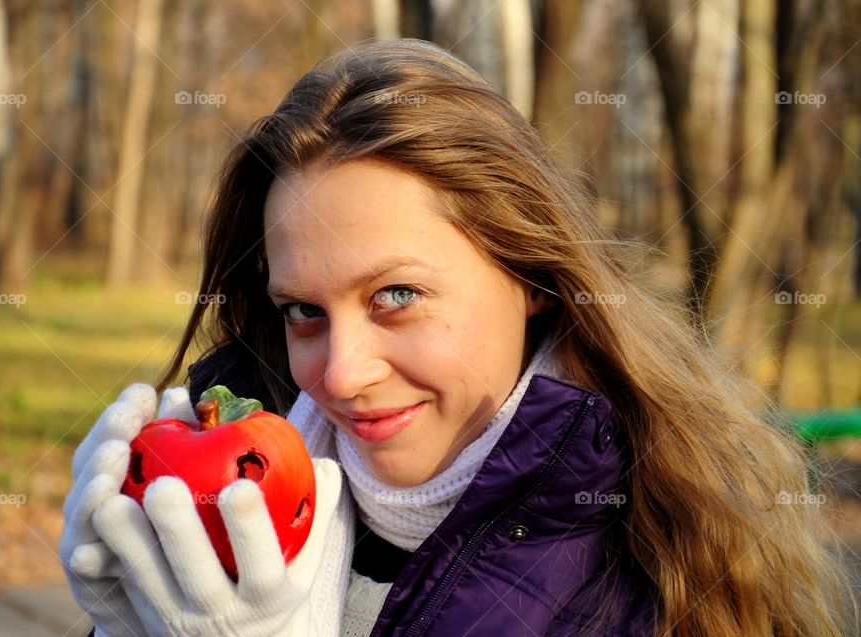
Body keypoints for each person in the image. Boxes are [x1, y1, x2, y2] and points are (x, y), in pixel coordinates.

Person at [60, 38, 858, 636]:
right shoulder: (227, 506)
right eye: (303, 309)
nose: (341, 374)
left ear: (534, 279)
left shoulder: (660, 575)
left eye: (396, 295)